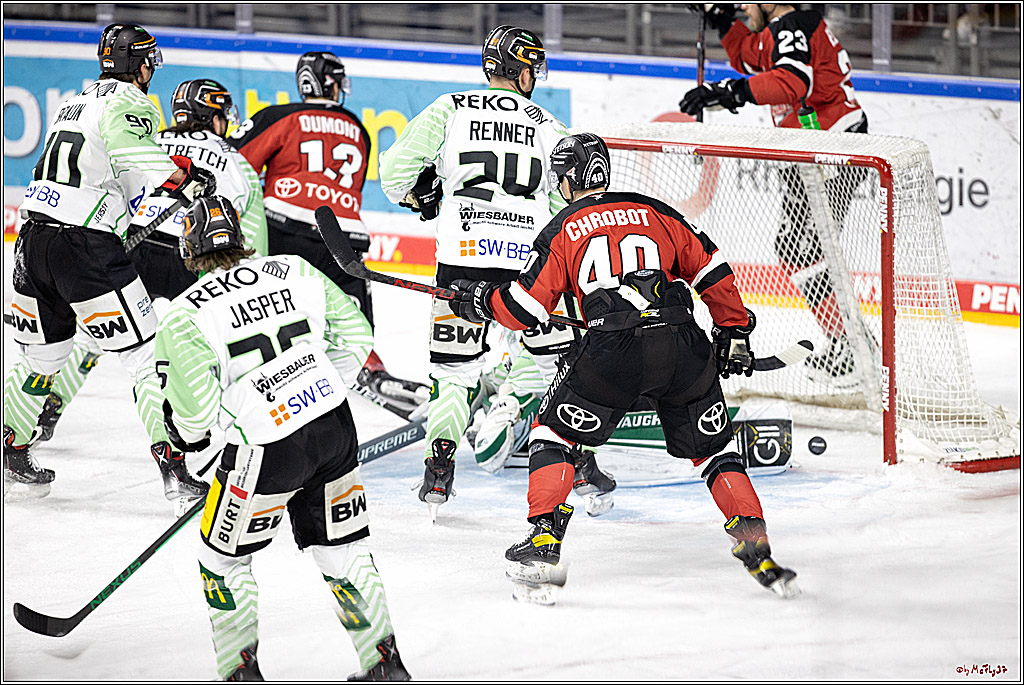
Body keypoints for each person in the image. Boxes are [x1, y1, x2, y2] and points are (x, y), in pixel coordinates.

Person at [446, 133, 799, 603]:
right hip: (682, 346)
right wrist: (733, 332)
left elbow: (524, 309)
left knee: (552, 436)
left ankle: (543, 543)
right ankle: (756, 545)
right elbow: (712, 269)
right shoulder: (654, 210)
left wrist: (479, 301)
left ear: (569, 177)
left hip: (615, 355)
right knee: (714, 453)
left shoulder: (562, 226)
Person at [155, 196, 411, 681]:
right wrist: (311, 387)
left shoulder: (184, 313)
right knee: (344, 552)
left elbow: (195, 413)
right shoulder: (292, 269)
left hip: (265, 452)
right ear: (242, 238)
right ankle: (384, 664)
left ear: (188, 250)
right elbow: (357, 335)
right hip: (334, 429)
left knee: (221, 563)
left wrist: (203, 441)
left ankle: (239, 673)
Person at [378, 25, 613, 518]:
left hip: (460, 260)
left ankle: (439, 469)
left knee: (453, 372)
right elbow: (565, 203)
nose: (536, 76)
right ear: (520, 67)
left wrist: (421, 194)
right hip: (528, 268)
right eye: (533, 66)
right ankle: (581, 461)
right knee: (560, 363)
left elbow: (395, 173)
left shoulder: (449, 107)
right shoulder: (548, 123)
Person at [3, 23, 212, 508]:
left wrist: (163, 187)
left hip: (32, 238)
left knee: (42, 359)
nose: (150, 71)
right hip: (83, 245)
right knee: (146, 353)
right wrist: (186, 177)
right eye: (149, 62)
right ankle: (176, 468)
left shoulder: (73, 102)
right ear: (139, 64)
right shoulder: (129, 102)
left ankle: (11, 448)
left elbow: (105, 166)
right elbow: (130, 150)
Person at [29, 78, 268, 447]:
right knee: (200, 341)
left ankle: (48, 407)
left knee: (99, 334)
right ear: (213, 116)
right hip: (193, 260)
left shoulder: (151, 141)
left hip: (129, 247)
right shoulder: (238, 162)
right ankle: (196, 425)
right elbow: (253, 241)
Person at [679, 3, 873, 383]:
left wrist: (731, 92)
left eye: (747, 3)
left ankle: (852, 348)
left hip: (832, 147)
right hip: (813, 149)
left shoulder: (792, 24)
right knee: (796, 247)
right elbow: (750, 58)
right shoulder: (781, 30)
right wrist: (723, 24)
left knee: (806, 247)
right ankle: (850, 342)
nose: (742, 8)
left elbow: (791, 81)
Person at [228, 51, 427, 416]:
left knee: (281, 313)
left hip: (285, 229)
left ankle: (281, 382)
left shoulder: (280, 116)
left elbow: (232, 163)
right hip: (344, 236)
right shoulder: (356, 127)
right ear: (332, 82)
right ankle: (370, 370)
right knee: (352, 319)